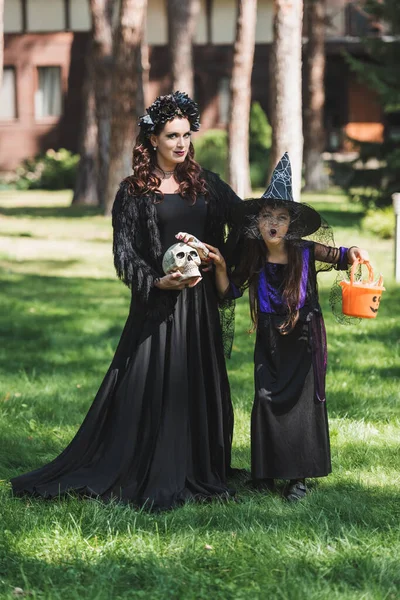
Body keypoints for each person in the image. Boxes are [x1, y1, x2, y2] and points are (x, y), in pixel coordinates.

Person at [11, 92, 242, 510]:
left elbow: (243, 225)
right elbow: (124, 255)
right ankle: (147, 462)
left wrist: (220, 261)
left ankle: (199, 466)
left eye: (186, 136)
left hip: (200, 306)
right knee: (145, 386)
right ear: (152, 138)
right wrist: (157, 283)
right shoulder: (134, 191)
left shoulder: (207, 184)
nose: (181, 144)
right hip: (158, 304)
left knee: (199, 380)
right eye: (172, 136)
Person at [202, 153, 369, 501]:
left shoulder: (306, 251)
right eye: (267, 217)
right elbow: (229, 291)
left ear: (291, 224)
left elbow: (341, 255)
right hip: (269, 336)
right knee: (265, 397)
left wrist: (354, 252)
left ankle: (299, 478)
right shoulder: (253, 255)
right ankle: (266, 472)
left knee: (303, 402)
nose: (273, 223)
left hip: (304, 334)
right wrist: (219, 265)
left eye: (281, 217)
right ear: (257, 223)